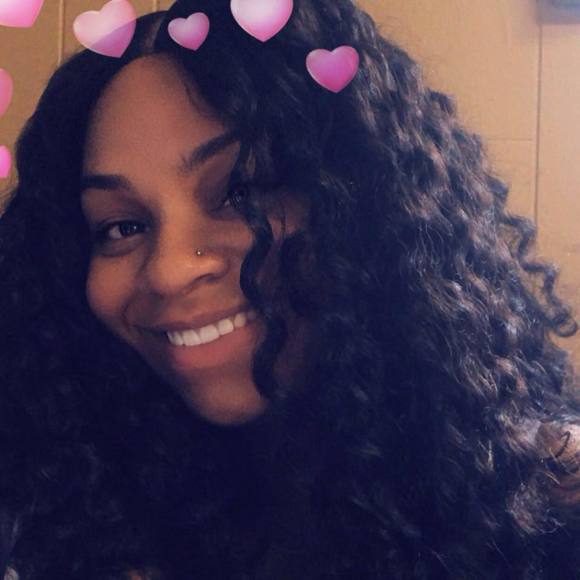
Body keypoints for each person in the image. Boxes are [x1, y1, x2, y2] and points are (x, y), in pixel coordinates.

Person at [1, 0, 580, 578]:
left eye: (241, 193)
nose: (169, 270)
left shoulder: (553, 515)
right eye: (121, 227)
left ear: (372, 206)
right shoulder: (92, 512)